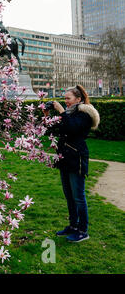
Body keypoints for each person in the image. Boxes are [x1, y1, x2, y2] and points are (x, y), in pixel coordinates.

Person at [43, 85, 100, 242]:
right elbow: (54, 129)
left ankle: (83, 231)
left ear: (78, 99)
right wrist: (46, 116)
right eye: (65, 99)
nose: (66, 101)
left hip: (77, 158)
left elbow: (72, 128)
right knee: (69, 195)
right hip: (65, 158)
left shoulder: (84, 114)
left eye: (68, 98)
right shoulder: (69, 114)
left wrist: (61, 111)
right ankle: (73, 226)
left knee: (78, 197)